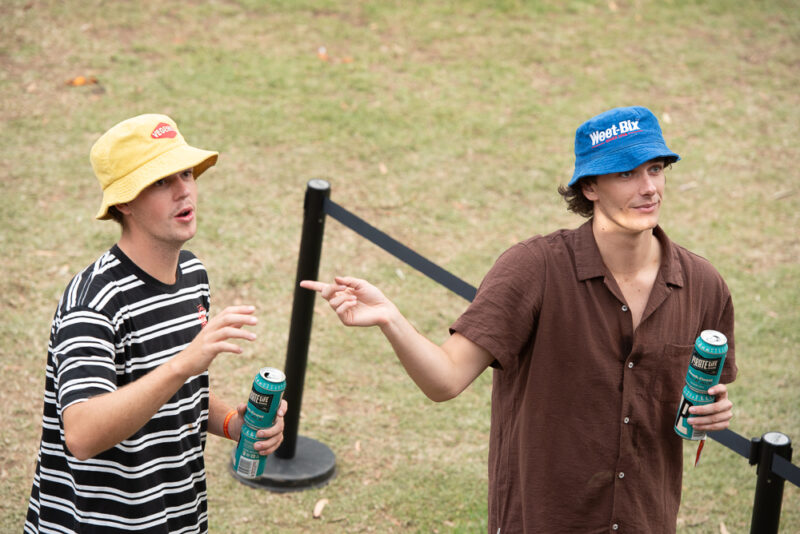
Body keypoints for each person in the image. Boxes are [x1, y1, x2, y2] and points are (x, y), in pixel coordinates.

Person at [301, 106, 736, 533]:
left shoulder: (704, 285)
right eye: (626, 174)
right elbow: (445, 380)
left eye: (655, 169)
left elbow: (694, 395)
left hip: (647, 521)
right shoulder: (533, 269)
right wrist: (390, 318)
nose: (649, 188)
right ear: (590, 187)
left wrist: (713, 411)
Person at [25, 114, 287, 533]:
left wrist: (232, 424)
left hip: (177, 515)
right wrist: (184, 363)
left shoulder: (192, 276)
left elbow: (174, 394)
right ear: (124, 203)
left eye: (186, 173)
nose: (184, 190)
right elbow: (82, 434)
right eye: (161, 181)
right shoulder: (94, 302)